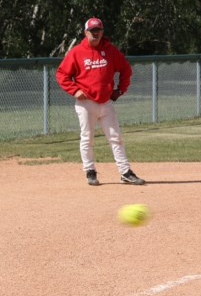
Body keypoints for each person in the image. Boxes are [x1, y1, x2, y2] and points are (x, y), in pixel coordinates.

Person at [56, 17, 145, 186]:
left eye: (98, 30)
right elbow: (62, 74)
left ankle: (125, 172)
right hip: (86, 103)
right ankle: (90, 171)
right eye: (92, 31)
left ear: (102, 32)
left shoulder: (110, 50)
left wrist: (120, 90)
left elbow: (126, 69)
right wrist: (75, 90)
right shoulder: (76, 52)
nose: (95, 34)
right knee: (87, 138)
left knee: (116, 138)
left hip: (106, 102)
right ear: (85, 32)